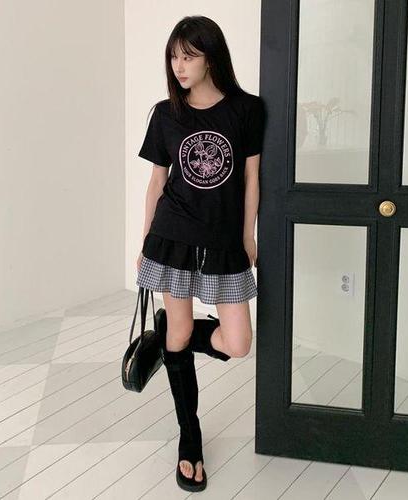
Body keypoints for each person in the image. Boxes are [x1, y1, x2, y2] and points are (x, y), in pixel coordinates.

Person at [135, 15, 266, 492]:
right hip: (171, 238)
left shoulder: (246, 110)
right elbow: (157, 182)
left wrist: (248, 236)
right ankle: (189, 441)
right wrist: (145, 242)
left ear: (212, 57)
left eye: (189, 56)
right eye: (174, 56)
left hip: (224, 241)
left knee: (238, 342)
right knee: (179, 332)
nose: (179, 65)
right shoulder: (165, 113)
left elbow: (250, 178)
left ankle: (176, 335)